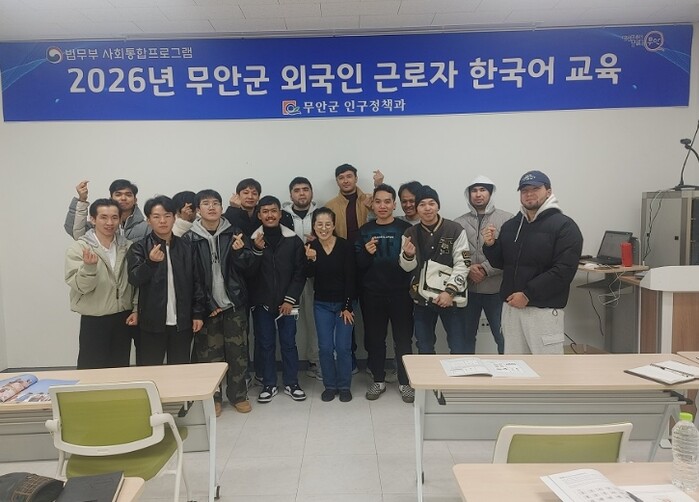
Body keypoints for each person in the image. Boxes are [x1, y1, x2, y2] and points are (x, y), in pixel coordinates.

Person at [482, 170, 583, 355]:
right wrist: (490, 246)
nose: (529, 194)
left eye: (535, 189)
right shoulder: (512, 226)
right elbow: (502, 263)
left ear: (548, 191)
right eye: (524, 190)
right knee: (514, 364)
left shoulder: (564, 226)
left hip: (542, 311)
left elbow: (564, 271)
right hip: (512, 308)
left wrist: (528, 294)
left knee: (547, 367)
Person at [183, 189, 256, 415]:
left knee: (238, 353)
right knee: (209, 356)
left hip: (233, 303)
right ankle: (213, 398)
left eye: (216, 203)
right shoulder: (189, 238)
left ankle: (238, 395)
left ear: (222, 208)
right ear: (198, 210)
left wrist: (240, 253)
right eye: (206, 203)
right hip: (206, 308)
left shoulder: (235, 233)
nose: (212, 207)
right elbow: (189, 277)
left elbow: (249, 269)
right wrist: (206, 305)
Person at [127, 196, 206, 365]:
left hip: (182, 322)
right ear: (148, 221)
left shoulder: (187, 247)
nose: (162, 221)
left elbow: (197, 282)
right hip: (151, 323)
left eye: (167, 215)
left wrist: (197, 313)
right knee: (150, 369)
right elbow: (134, 279)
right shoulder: (139, 247)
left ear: (174, 218)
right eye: (156, 217)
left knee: (179, 369)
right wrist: (150, 263)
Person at [356, 184, 415, 403]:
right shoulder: (364, 231)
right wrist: (366, 253)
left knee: (403, 339)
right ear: (372, 205)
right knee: (375, 339)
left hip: (401, 293)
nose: (382, 206)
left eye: (387, 201)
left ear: (394, 204)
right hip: (372, 294)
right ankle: (378, 380)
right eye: (378, 201)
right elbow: (358, 264)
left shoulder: (406, 229)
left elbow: (412, 263)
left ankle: (405, 382)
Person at [65, 199, 138, 369]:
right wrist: (89, 268)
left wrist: (135, 308)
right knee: (91, 370)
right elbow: (81, 286)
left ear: (120, 219)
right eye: (103, 217)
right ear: (93, 219)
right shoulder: (79, 248)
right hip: (94, 319)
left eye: (114, 217)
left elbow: (136, 284)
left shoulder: (128, 247)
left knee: (119, 369)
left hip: (123, 317)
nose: (109, 223)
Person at [399, 185, 471, 354]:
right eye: (422, 204)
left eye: (431, 203)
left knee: (458, 345)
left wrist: (449, 292)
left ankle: (457, 373)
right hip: (422, 299)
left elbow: (463, 263)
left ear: (438, 206)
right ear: (417, 208)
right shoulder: (410, 232)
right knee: (424, 346)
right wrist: (408, 255)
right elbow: (407, 267)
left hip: (450, 298)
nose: (427, 208)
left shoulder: (455, 229)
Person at [249, 195, 307, 403]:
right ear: (259, 215)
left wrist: (290, 299)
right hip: (262, 303)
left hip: (288, 303)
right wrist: (256, 250)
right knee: (265, 344)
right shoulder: (252, 240)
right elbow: (247, 272)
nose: (270, 215)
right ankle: (269, 384)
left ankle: (292, 383)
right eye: (265, 212)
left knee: (289, 343)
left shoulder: (293, 240)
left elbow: (300, 273)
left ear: (280, 214)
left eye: (273, 211)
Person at [454, 176, 512, 355]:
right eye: (474, 190)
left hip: (496, 290)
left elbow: (510, 255)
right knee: (465, 337)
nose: (478, 194)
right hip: (467, 290)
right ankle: (466, 370)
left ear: (491, 193)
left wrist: (485, 269)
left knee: (503, 337)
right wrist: (468, 270)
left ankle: (509, 370)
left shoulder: (508, 219)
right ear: (468, 194)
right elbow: (454, 255)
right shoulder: (458, 223)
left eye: (482, 190)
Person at [304, 207, 356, 403]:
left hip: (344, 304)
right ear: (314, 226)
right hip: (322, 304)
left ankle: (344, 386)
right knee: (325, 348)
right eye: (319, 224)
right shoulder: (311, 247)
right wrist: (311, 260)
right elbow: (308, 275)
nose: (323, 228)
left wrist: (348, 306)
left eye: (328, 224)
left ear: (334, 225)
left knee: (343, 347)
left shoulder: (345, 246)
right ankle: (330, 386)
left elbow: (351, 277)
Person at [281, 177, 321, 381]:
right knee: (289, 323)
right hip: (289, 278)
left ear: (311, 192)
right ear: (291, 195)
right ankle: (289, 368)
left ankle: (316, 362)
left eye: (305, 189)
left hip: (316, 276)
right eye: (297, 190)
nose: (302, 193)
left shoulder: (321, 214)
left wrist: (318, 242)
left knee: (315, 321)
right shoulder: (281, 216)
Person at [64, 179, 149, 241]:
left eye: (128, 195)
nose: (123, 198)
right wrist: (82, 200)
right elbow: (77, 234)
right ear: (111, 199)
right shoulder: (98, 224)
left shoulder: (147, 227)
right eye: (118, 194)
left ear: (135, 200)